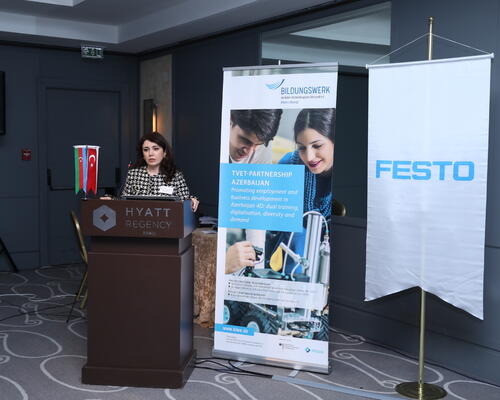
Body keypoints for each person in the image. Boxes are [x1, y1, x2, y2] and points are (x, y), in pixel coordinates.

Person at [267, 108, 335, 274]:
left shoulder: (354, 177)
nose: (309, 157)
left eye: (317, 146)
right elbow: (271, 231)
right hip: (291, 275)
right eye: (302, 148)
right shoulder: (289, 166)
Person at [225, 109, 283, 274]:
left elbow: (256, 210)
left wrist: (257, 270)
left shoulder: (263, 149)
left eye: (257, 145)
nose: (249, 152)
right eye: (245, 140)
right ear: (230, 120)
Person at [118, 132, 199, 212]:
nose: (150, 154)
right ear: (143, 154)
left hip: (167, 219)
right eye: (146, 150)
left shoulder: (175, 175)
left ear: (164, 152)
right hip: (138, 219)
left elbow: (185, 201)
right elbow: (123, 202)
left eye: (155, 149)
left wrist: (192, 200)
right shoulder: (133, 174)